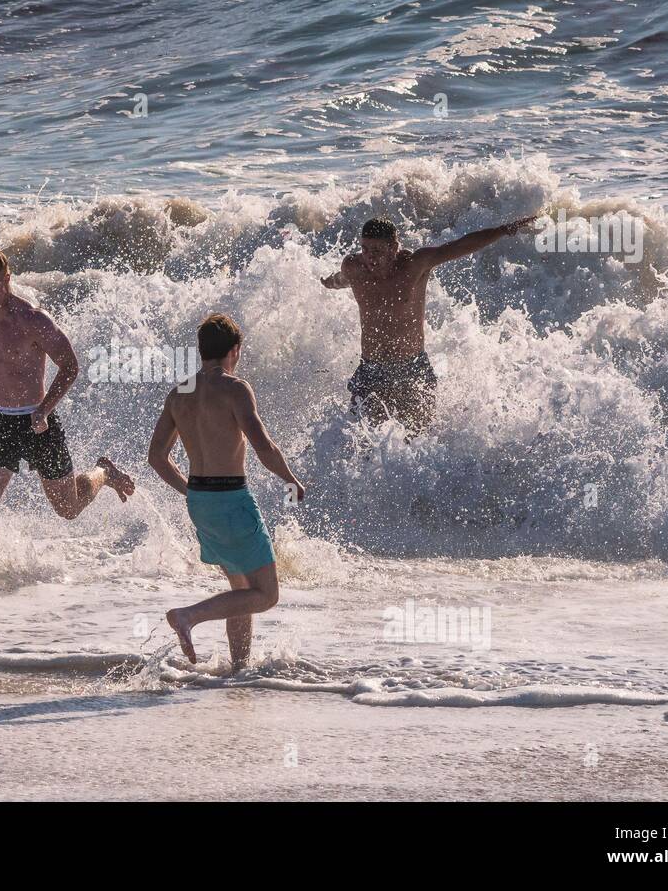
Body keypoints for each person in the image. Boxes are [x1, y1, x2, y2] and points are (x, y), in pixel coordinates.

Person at [0, 248, 134, 580]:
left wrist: (45, 409)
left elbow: (70, 366)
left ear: (7, 278)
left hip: (38, 424)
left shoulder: (33, 320)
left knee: (68, 509)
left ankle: (103, 472)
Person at [147, 313, 304, 669]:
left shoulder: (180, 392)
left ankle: (239, 669)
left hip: (201, 502)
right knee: (266, 595)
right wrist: (290, 478)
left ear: (201, 351)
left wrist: (189, 491)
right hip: (231, 500)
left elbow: (156, 457)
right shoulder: (235, 388)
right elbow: (263, 445)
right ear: (235, 350)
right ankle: (188, 616)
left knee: (242, 591)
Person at [321, 214, 538, 433]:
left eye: (377, 251)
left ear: (394, 248)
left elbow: (461, 245)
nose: (369, 257)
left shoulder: (415, 265)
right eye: (365, 249)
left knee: (417, 440)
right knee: (363, 440)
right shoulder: (354, 266)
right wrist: (330, 282)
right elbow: (343, 278)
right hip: (371, 368)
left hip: (411, 368)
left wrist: (503, 230)